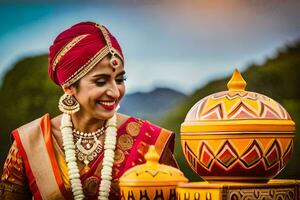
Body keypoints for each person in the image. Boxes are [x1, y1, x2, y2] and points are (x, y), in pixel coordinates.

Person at [0, 22, 178, 200]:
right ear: (69, 86)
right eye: (101, 81)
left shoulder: (149, 141)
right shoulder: (30, 142)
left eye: (120, 79)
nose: (115, 92)